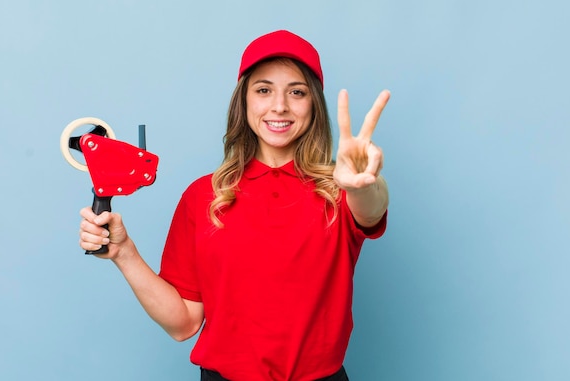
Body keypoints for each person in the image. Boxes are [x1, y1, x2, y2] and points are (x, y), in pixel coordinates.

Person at [79, 29, 391, 381]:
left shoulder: (339, 191)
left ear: (313, 105)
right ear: (244, 101)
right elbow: (183, 323)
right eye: (263, 89)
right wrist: (124, 252)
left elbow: (372, 209)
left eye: (297, 92)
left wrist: (365, 183)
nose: (279, 106)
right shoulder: (203, 196)